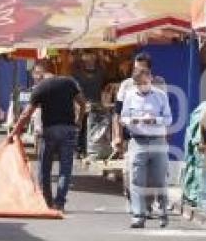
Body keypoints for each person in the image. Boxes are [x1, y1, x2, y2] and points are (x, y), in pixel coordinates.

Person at [8, 59, 87, 212]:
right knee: (65, 168)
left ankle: (47, 201)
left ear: (41, 73)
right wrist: (79, 121)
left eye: (36, 73)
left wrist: (14, 132)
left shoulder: (40, 88)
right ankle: (60, 203)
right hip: (69, 129)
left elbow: (26, 114)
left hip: (49, 130)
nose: (35, 77)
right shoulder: (69, 82)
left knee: (45, 167)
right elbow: (82, 103)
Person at [113, 53, 166, 215]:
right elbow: (117, 113)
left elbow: (164, 111)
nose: (137, 72)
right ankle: (132, 200)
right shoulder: (126, 85)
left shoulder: (159, 84)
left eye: (142, 69)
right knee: (130, 172)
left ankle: (146, 206)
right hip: (132, 137)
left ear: (149, 70)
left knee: (150, 174)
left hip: (154, 136)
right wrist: (117, 135)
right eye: (135, 68)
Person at [120, 68, 172, 229]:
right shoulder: (130, 96)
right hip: (138, 141)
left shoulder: (160, 96)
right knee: (136, 180)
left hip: (157, 141)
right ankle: (138, 216)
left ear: (150, 79)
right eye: (139, 84)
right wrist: (133, 121)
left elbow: (169, 119)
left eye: (145, 82)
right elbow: (123, 117)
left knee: (159, 179)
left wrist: (154, 120)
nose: (142, 86)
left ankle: (163, 213)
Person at [73, 50, 107, 157]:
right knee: (80, 127)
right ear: (82, 57)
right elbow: (73, 91)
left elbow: (106, 88)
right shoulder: (76, 74)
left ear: (96, 56)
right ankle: (79, 150)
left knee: (95, 128)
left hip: (97, 104)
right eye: (86, 55)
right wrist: (77, 104)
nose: (89, 58)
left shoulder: (102, 72)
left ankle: (92, 150)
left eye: (92, 55)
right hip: (81, 104)